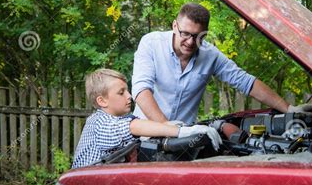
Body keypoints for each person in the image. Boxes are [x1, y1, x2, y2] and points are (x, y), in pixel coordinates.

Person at [132, 2, 312, 124]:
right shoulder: (151, 43)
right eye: (185, 34)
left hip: (184, 139)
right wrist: (166, 127)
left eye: (198, 37)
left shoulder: (210, 55)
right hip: (145, 136)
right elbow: (141, 90)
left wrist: (288, 109)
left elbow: (246, 82)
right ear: (174, 26)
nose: (190, 41)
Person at [72, 69, 222, 168]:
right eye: (121, 92)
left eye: (128, 90)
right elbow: (134, 127)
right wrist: (181, 132)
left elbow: (144, 128)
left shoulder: (122, 118)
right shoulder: (98, 122)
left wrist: (170, 125)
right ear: (102, 101)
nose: (129, 96)